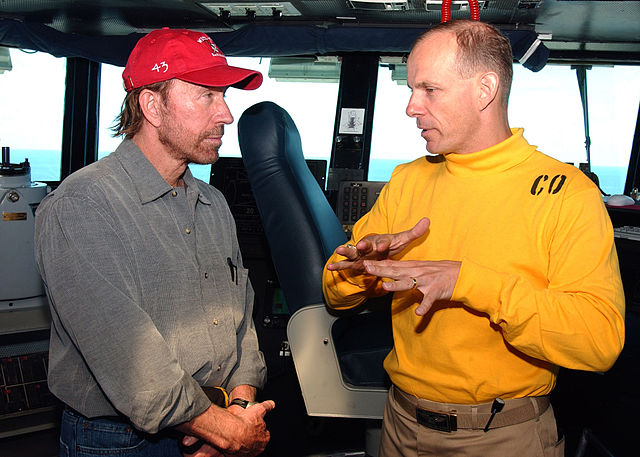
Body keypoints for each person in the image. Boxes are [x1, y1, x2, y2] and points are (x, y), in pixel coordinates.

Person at [323, 19, 625, 457]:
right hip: (400, 426)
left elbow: (598, 343)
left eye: (429, 89)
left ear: (485, 89)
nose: (411, 107)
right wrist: (355, 270)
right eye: (410, 89)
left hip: (502, 437)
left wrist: (469, 282)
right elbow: (335, 297)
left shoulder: (566, 193)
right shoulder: (407, 180)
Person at [35, 28, 274, 457]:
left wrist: (238, 407)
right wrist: (228, 432)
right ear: (152, 106)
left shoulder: (213, 203)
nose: (226, 114)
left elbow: (240, 321)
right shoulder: (82, 205)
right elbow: (130, 361)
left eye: (225, 97)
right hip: (121, 442)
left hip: (216, 422)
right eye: (207, 96)